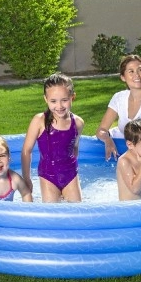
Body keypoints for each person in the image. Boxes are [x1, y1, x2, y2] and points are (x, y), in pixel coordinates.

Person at [21, 73, 85, 203]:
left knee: (77, 211)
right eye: (53, 101)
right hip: (48, 175)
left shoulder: (78, 123)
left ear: (72, 97)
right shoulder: (40, 121)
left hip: (70, 174)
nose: (59, 106)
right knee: (51, 212)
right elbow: (26, 150)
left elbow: (75, 148)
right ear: (46, 99)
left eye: (64, 100)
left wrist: (72, 170)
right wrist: (26, 178)